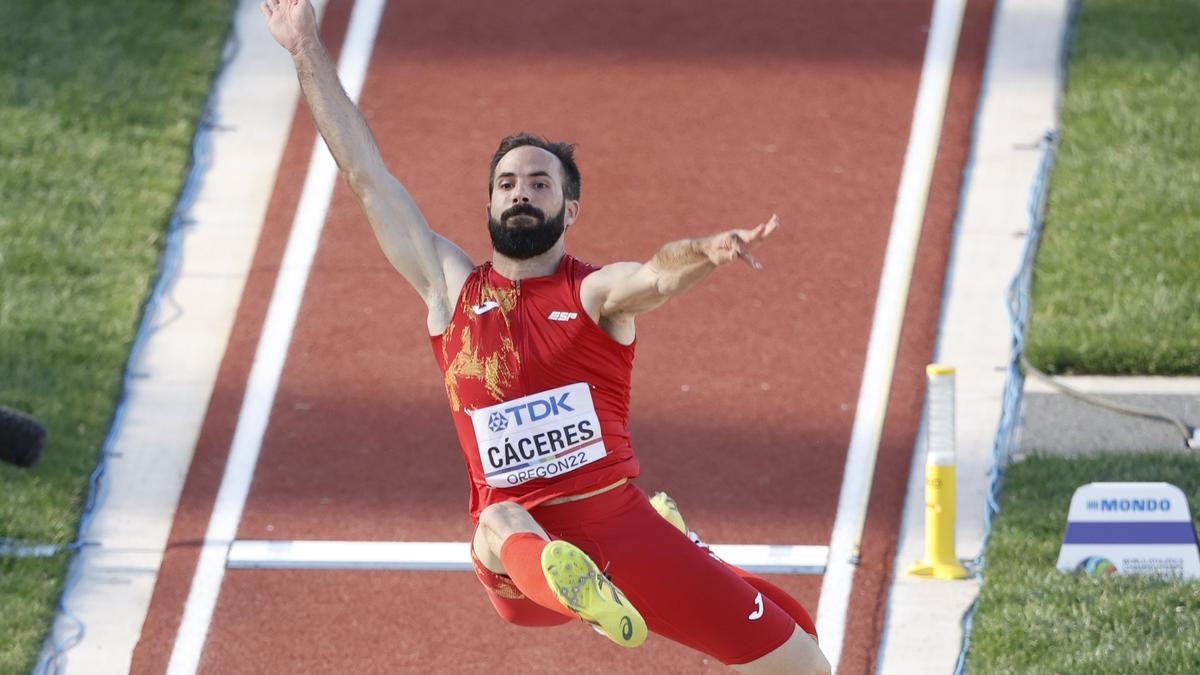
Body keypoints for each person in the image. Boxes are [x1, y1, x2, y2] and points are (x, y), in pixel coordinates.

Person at [262, 1, 830, 672]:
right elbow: (364, 174)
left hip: (618, 526)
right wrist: (305, 50)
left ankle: (646, 568)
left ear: (571, 207)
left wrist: (706, 249)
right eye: (507, 183)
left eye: (540, 182)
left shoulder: (592, 295)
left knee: (804, 655)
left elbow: (656, 274)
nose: (521, 192)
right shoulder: (449, 290)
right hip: (520, 557)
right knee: (495, 521)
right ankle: (584, 590)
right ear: (490, 204)